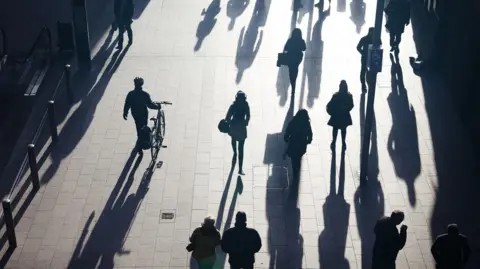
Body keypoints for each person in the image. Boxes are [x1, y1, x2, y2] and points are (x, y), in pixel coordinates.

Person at [226, 91, 250, 175]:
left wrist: (229, 123)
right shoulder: (245, 105)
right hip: (242, 127)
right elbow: (248, 115)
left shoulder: (233, 106)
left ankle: (234, 153)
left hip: (234, 126)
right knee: (241, 148)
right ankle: (240, 169)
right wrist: (246, 122)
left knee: (233, 139)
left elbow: (228, 117)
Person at [284, 109, 312, 179]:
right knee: (298, 158)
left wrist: (286, 138)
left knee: (293, 159)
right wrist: (309, 140)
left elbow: (288, 130)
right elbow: (310, 133)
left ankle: (294, 172)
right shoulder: (306, 123)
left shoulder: (294, 121)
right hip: (302, 144)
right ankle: (297, 169)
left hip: (293, 143)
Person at [327, 80, 354, 151]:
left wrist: (332, 112)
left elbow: (330, 105)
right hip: (344, 116)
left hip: (336, 115)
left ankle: (334, 141)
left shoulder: (336, 95)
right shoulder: (349, 96)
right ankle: (343, 142)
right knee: (343, 130)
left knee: (335, 129)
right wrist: (346, 108)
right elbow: (351, 105)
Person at [283, 28, 306, 94]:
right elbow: (304, 48)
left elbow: (286, 48)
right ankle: (294, 81)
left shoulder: (290, 40)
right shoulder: (301, 40)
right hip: (298, 58)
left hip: (290, 58)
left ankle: (292, 81)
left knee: (291, 70)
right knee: (295, 68)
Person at [357, 27, 374, 92]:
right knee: (363, 71)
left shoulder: (365, 39)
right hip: (366, 57)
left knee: (365, 71)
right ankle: (363, 85)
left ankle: (366, 83)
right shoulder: (364, 39)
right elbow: (358, 47)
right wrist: (363, 53)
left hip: (370, 57)